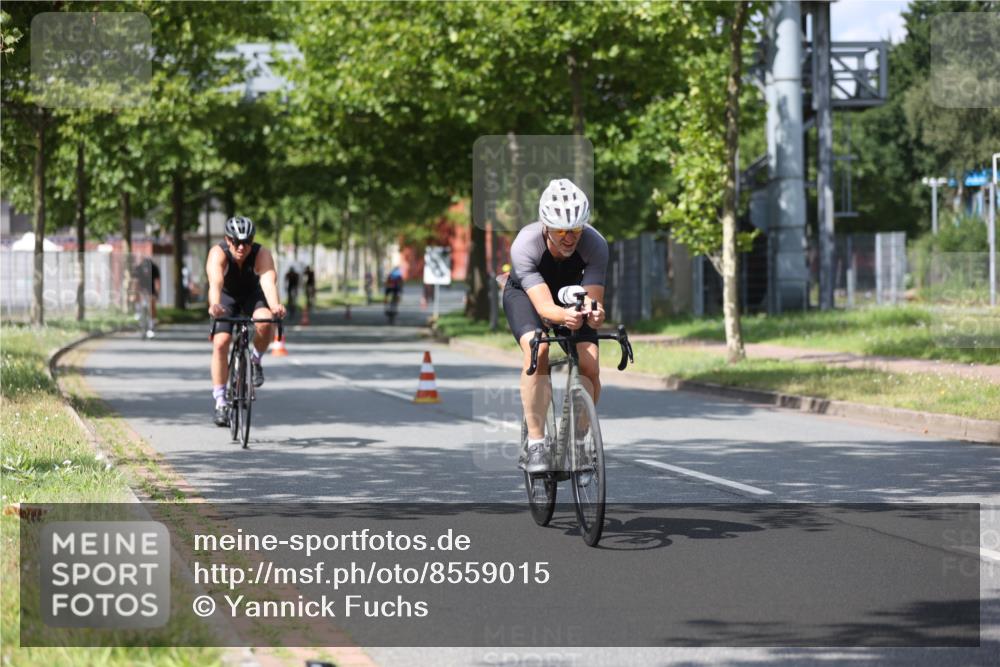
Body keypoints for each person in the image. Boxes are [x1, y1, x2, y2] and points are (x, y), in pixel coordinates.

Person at [502, 179, 607, 473]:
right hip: (527, 295)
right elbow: (546, 309)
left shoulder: (596, 244)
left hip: (571, 293)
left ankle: (579, 442)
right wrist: (563, 317)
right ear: (546, 226)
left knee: (591, 361)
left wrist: (594, 313)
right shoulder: (525, 245)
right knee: (539, 350)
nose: (569, 237)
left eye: (575, 230)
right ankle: (536, 444)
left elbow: (594, 301)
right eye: (561, 230)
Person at [206, 216, 286, 427]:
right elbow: (215, 282)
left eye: (247, 242)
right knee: (221, 342)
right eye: (236, 242)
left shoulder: (262, 254)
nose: (241, 247)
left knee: (265, 320)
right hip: (227, 298)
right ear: (227, 239)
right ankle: (221, 401)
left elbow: (268, 282)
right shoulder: (218, 253)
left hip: (253, 295)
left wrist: (275, 305)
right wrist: (215, 305)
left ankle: (256, 359)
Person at [134, 257, 160, 337]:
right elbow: (135, 282)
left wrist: (157, 294)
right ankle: (138, 312)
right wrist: (134, 294)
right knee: (137, 296)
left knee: (152, 304)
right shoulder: (138, 269)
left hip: (151, 288)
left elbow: (157, 282)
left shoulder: (154, 268)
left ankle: (152, 324)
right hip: (142, 287)